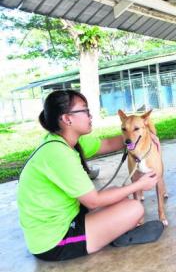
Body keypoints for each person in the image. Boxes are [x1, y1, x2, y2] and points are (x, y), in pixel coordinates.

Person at [17, 90, 159, 261]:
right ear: (67, 119)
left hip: (70, 216)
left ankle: (109, 231)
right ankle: (112, 234)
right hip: (53, 240)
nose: (90, 115)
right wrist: (139, 185)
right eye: (84, 110)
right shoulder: (58, 153)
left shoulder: (68, 140)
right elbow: (94, 201)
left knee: (116, 193)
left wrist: (144, 136)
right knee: (135, 208)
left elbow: (108, 143)